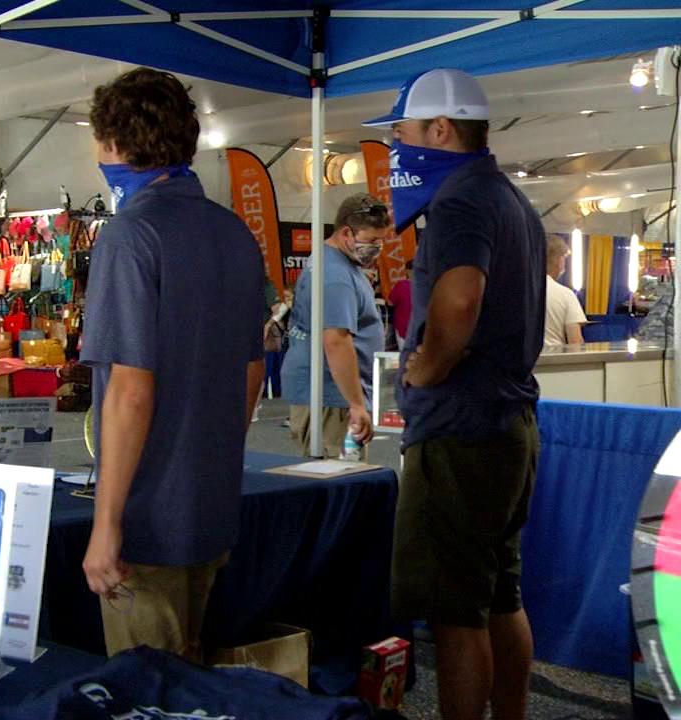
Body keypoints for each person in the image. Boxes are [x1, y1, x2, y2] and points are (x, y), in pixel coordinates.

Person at [364, 68, 545, 720]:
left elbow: (462, 295)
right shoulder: (510, 198)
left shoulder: (462, 198)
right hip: (508, 423)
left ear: (439, 129)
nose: (394, 145)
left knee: (456, 614)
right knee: (500, 594)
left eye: (401, 130)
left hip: (462, 428)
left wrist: (428, 366)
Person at [78, 67, 266, 663]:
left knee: (150, 689)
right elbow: (252, 371)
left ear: (113, 144)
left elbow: (130, 390)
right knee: (193, 675)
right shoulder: (234, 232)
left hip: (149, 517)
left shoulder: (130, 235)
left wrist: (106, 525)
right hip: (210, 502)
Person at [279, 193, 389, 459]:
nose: (377, 247)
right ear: (346, 233)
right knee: (338, 478)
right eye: (372, 240)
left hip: (329, 393)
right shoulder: (336, 276)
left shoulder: (334, 263)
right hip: (331, 398)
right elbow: (336, 341)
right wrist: (355, 403)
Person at [543, 234, 586, 346]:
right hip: (555, 359)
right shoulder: (565, 295)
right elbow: (575, 341)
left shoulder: (515, 291)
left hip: (519, 360)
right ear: (560, 260)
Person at [389, 262, 413, 349]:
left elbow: (390, 302)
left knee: (403, 354)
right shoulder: (425, 286)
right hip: (420, 326)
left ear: (407, 271)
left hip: (402, 326)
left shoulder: (401, 285)